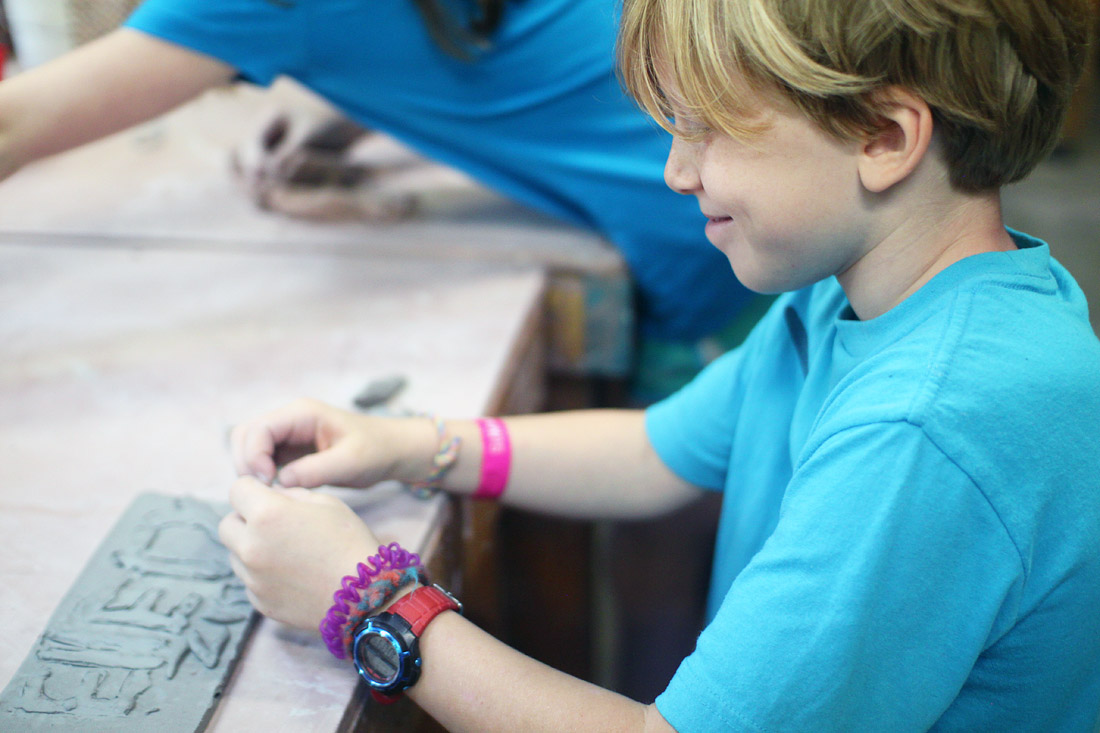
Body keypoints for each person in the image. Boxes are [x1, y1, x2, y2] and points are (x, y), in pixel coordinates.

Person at [217, 0, 1100, 729]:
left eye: (708, 130)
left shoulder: (928, 427)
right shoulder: (870, 291)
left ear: (882, 135)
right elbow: (657, 451)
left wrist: (371, 603)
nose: (677, 172)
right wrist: (410, 443)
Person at [0, 0, 765, 401]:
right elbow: (446, 33)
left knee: (673, 506)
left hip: (703, 232)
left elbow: (18, 120)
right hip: (756, 175)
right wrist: (346, 122)